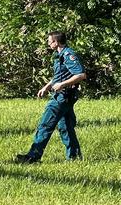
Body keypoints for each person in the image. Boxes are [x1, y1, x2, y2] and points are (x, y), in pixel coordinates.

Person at [15, 31, 86, 163]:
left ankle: (33, 157)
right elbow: (59, 76)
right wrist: (47, 87)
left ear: (56, 42)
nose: (48, 43)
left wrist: (62, 85)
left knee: (45, 125)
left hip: (63, 96)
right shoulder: (59, 55)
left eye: (50, 41)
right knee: (66, 127)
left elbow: (81, 75)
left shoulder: (68, 55)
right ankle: (75, 157)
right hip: (64, 95)